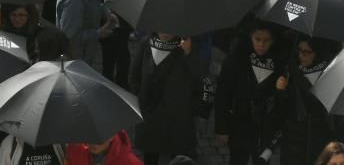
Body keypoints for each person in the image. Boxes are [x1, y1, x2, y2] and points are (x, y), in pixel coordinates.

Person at [215, 24, 284, 165]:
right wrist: (221, 128)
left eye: (266, 40)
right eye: (257, 39)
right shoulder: (237, 57)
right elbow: (223, 93)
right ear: (250, 37)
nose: (261, 44)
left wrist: (280, 90)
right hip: (240, 124)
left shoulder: (281, 62)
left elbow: (281, 104)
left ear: (273, 40)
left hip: (265, 128)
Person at [129, 34, 204, 165]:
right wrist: (141, 98)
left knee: (176, 155)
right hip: (150, 114)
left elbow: (200, 77)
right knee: (150, 153)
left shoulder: (187, 45)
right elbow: (134, 76)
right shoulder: (146, 44)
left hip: (176, 116)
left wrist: (188, 53)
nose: (165, 31)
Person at [274, 35, 336, 165]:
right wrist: (281, 91)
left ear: (317, 52)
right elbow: (280, 111)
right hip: (294, 141)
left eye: (307, 52)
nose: (302, 55)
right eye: (299, 50)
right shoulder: (291, 71)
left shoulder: (331, 72)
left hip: (321, 138)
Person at [65, 131, 142, 165]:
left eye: (99, 137)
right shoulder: (74, 154)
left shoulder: (130, 163)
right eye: (89, 135)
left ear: (112, 136)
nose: (93, 142)